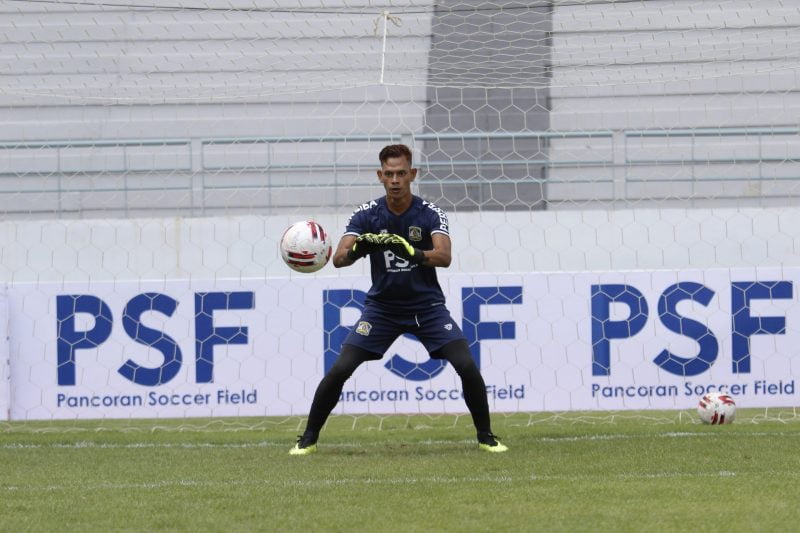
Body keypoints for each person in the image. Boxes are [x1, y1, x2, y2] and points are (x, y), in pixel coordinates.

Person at [290, 144, 508, 455]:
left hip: (427, 308)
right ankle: (308, 438)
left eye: (401, 173)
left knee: (466, 364)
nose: (395, 180)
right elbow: (338, 258)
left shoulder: (430, 213)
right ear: (380, 175)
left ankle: (486, 436)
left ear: (412, 174)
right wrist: (358, 250)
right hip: (382, 310)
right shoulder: (366, 214)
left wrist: (414, 253)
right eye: (389, 174)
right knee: (340, 368)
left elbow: (444, 256)